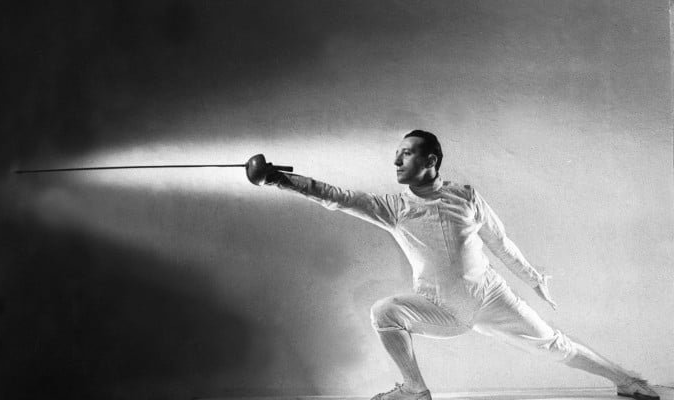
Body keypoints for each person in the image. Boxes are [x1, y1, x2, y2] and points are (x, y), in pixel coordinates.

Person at [246, 130, 660, 400]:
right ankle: (415, 390)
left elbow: (500, 241)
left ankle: (628, 382)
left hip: (492, 296)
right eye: (396, 154)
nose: (396, 161)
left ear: (432, 160)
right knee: (384, 312)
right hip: (442, 307)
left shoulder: (466, 196)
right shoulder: (392, 208)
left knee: (554, 344)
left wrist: (535, 279)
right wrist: (280, 179)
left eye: (406, 154)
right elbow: (334, 195)